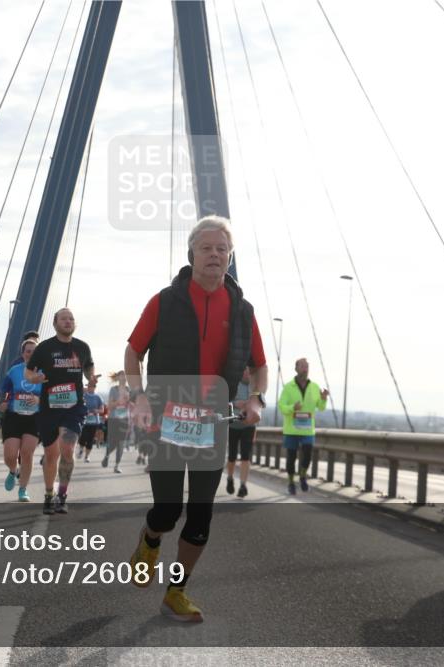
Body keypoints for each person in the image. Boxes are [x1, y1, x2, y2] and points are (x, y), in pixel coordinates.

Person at [125, 215, 267, 623]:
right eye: (206, 248)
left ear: (230, 257)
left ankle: (177, 591)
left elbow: (260, 365)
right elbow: (133, 351)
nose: (215, 255)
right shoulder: (164, 302)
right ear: (192, 254)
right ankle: (149, 541)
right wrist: (137, 395)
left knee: (201, 513)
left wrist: (255, 398)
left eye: (222, 249)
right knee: (168, 510)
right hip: (165, 418)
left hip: (212, 422)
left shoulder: (242, 310)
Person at [25, 308, 96, 515]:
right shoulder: (45, 348)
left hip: (74, 406)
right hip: (49, 408)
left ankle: (62, 494)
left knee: (67, 448)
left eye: (71, 318)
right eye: (64, 318)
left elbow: (89, 366)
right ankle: (49, 494)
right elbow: (28, 371)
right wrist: (33, 379)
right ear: (55, 323)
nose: (68, 321)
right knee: (50, 454)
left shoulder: (82, 347)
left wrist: (90, 377)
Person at [0, 337, 42, 501]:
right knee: (10, 456)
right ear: (23, 354)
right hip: (14, 416)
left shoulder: (45, 373)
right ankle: (13, 470)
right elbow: (4, 390)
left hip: (35, 417)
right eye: (28, 351)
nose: (31, 354)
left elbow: (51, 395)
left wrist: (39, 400)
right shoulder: (14, 371)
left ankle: (23, 489)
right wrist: (3, 402)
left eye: (34, 351)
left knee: (27, 453)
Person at [277, 358, 329, 494]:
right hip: (291, 429)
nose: (305, 369)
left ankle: (302, 476)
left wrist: (323, 399)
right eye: (302, 366)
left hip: (307, 430)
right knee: (291, 457)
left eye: (307, 367)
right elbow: (281, 406)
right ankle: (290, 482)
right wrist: (292, 407)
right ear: (296, 369)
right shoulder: (288, 387)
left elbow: (321, 408)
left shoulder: (315, 387)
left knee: (307, 455)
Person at [225, 367, 258, 498]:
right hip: (234, 425)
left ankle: (243, 485)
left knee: (246, 455)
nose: (247, 373)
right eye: (244, 370)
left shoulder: (255, 387)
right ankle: (230, 478)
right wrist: (236, 403)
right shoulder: (234, 385)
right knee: (232, 456)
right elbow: (224, 401)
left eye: (249, 371)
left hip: (249, 426)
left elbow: (261, 406)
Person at [105, 371, 130, 470]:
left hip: (125, 420)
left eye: (125, 376)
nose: (124, 378)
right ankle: (107, 455)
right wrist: (118, 401)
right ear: (118, 378)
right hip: (113, 419)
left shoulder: (129, 389)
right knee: (113, 443)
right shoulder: (113, 389)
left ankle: (117, 465)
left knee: (121, 443)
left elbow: (131, 405)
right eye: (122, 376)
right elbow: (109, 406)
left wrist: (128, 401)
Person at [80, 379, 105, 464]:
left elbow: (102, 410)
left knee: (90, 439)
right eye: (89, 386)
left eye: (92, 386)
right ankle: (81, 448)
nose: (90, 388)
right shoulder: (83, 395)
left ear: (95, 387)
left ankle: (87, 456)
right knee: (83, 437)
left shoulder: (98, 397)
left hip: (94, 422)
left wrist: (96, 411)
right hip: (84, 420)